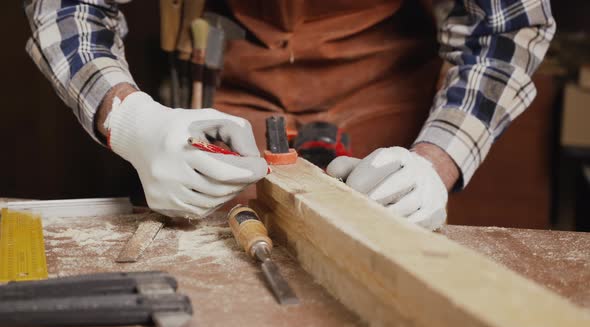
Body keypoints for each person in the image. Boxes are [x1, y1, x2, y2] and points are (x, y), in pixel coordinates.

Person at [24, 0, 555, 229]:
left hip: (387, 89)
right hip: (234, 75)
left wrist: (436, 163)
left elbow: (509, 26)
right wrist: (134, 122)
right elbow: (70, 7)